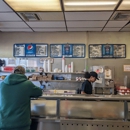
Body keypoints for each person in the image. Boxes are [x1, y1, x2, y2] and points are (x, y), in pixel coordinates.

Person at [0, 66, 42, 130]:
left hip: (3, 123)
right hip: (21, 124)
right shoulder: (27, 84)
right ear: (24, 73)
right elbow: (39, 92)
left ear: (13, 72)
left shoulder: (2, 84)